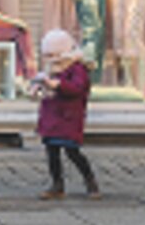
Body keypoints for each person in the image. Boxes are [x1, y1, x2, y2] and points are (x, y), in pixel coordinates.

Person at [31, 29, 100, 200]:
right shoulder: (51, 68)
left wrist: (57, 84)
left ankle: (90, 181)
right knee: (52, 152)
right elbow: (46, 86)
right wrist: (38, 87)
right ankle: (57, 184)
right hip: (52, 117)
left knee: (72, 151)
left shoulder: (77, 68)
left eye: (53, 55)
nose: (50, 60)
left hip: (69, 117)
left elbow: (77, 88)